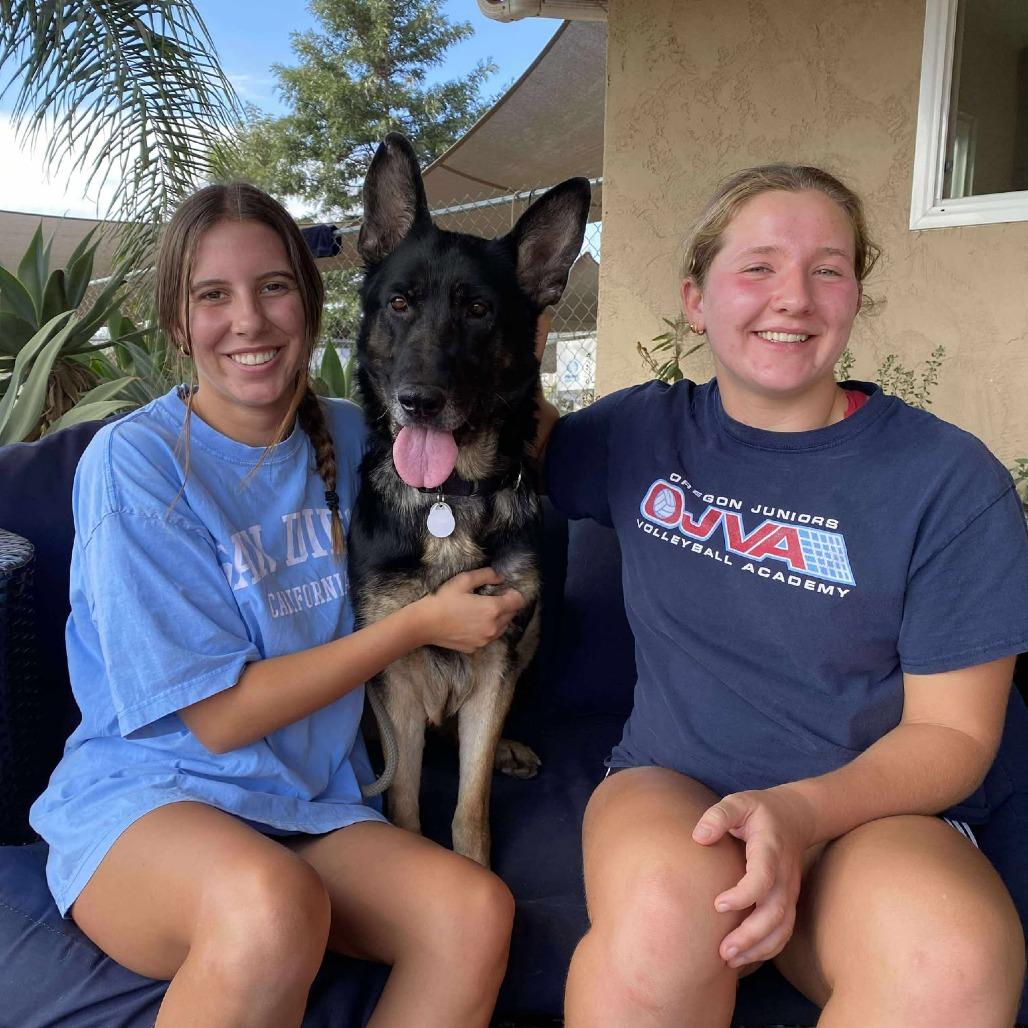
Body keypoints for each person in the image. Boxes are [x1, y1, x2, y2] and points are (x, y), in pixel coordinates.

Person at [535, 165, 1028, 1026]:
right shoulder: (637, 432)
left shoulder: (948, 482)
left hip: (868, 811)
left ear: (855, 296)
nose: (793, 297)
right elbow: (503, 438)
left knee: (949, 960)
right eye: (757, 267)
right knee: (660, 918)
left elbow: (953, 734)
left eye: (827, 269)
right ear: (697, 299)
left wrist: (801, 813)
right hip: (674, 782)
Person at [29, 182, 526, 1027]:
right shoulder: (136, 464)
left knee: (472, 913)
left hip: (309, 807)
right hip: (155, 803)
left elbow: (505, 426)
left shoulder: (365, 436)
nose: (249, 322)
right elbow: (217, 721)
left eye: (273, 287)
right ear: (179, 324)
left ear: (311, 302)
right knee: (270, 906)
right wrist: (417, 626)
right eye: (211, 296)